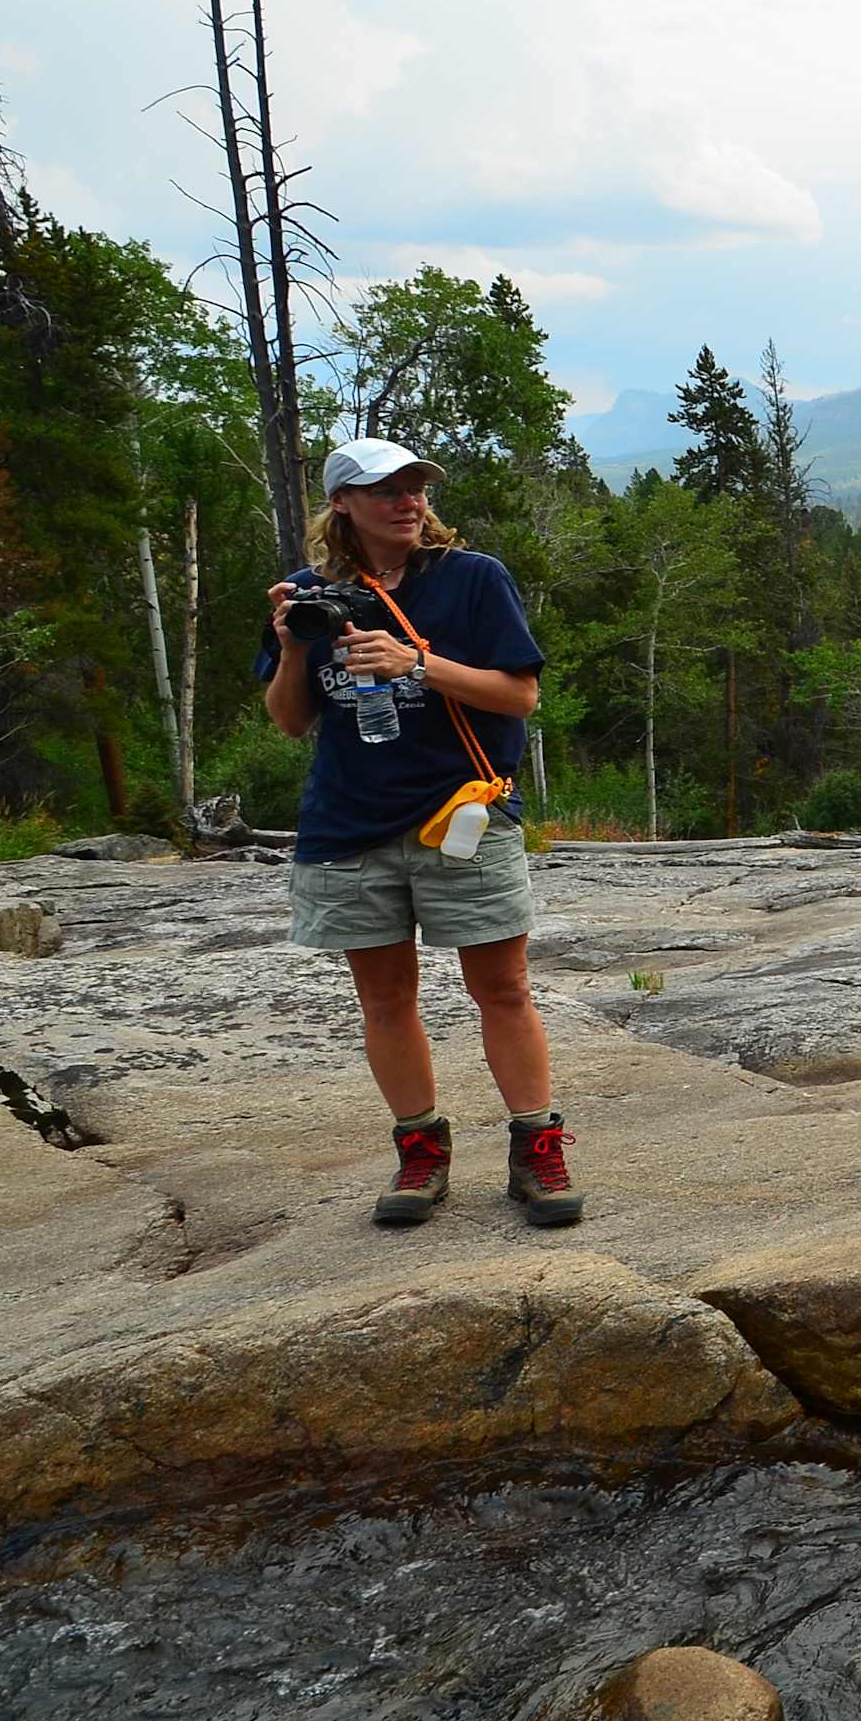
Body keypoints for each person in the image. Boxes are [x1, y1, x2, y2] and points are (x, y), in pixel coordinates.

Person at [256, 435, 581, 1229]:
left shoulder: (472, 578)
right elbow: (291, 721)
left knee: (502, 987)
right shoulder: (310, 593)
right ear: (342, 503)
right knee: (384, 998)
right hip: (347, 825)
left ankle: (537, 1148)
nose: (408, 501)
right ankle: (420, 1151)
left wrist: (415, 663)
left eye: (416, 486)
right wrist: (294, 646)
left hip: (460, 816)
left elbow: (520, 696)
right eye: (386, 489)